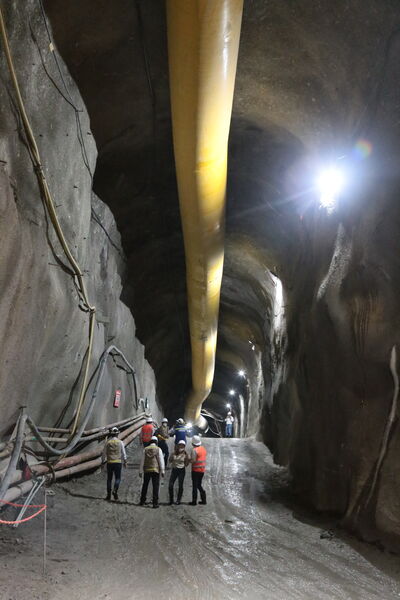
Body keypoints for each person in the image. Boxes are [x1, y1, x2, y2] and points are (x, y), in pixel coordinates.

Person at [102, 427, 127, 501]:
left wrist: (102, 462)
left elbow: (104, 453)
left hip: (109, 462)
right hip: (118, 462)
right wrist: (125, 461)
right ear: (117, 434)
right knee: (118, 478)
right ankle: (115, 490)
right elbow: (123, 453)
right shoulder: (120, 442)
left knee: (109, 479)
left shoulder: (108, 442)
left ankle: (108, 495)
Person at [139, 436, 165, 508]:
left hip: (147, 470)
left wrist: (140, 471)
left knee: (145, 485)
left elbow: (142, 460)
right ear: (156, 442)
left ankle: (142, 500)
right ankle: (155, 503)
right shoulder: (158, 449)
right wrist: (162, 470)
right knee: (155, 487)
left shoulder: (145, 449)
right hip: (155, 470)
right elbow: (161, 460)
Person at [168, 440, 189, 505]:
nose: (181, 446)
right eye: (180, 445)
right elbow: (170, 460)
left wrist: (187, 458)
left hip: (181, 470)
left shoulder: (185, 454)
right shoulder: (174, 453)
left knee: (180, 485)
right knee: (170, 485)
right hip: (174, 470)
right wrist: (172, 455)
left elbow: (186, 464)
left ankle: (178, 500)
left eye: (182, 445)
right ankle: (171, 500)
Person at [189, 435, 207, 506]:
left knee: (195, 486)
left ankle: (194, 501)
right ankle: (204, 499)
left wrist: (187, 460)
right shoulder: (203, 448)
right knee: (199, 485)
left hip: (195, 470)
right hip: (202, 470)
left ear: (193, 443)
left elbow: (193, 460)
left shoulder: (194, 450)